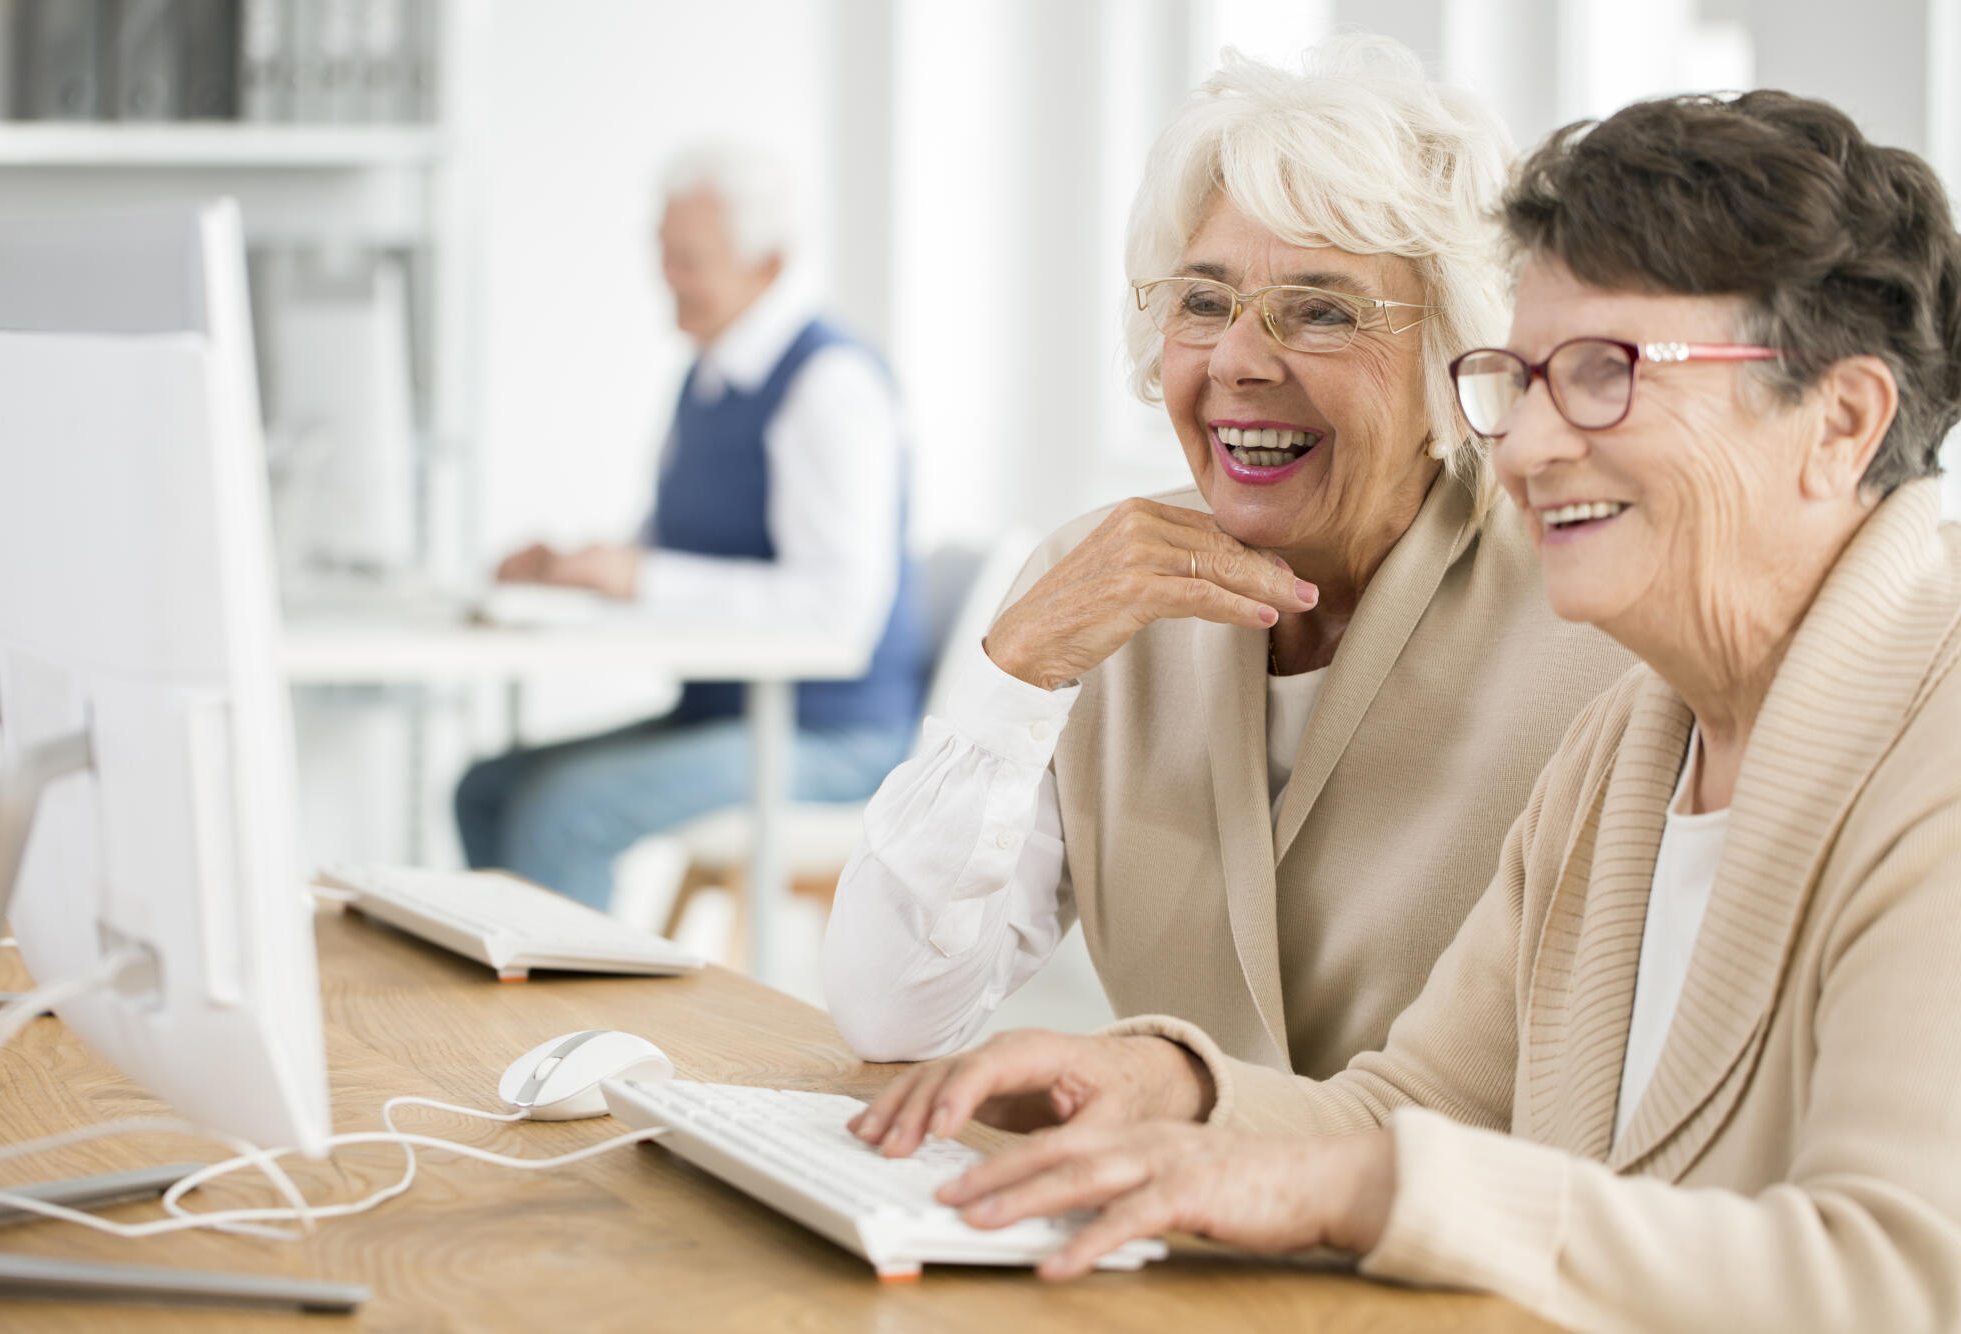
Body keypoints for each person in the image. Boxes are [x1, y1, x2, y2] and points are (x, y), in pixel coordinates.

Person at [849, 89, 1961, 1332]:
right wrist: (1165, 1083)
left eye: (1603, 375)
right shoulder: (1640, 740)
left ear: (1841, 420)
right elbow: (1416, 1105)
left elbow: (1900, 1277)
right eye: (1524, 379)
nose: (1529, 446)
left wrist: (1374, 1187)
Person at [823, 39, 1631, 1074]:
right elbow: (889, 1012)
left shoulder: (1592, 617)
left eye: (1322, 311)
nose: (1239, 360)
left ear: (1452, 350)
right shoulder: (1093, 588)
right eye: (1201, 302)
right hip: (1171, 1221)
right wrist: (1012, 674)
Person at [455, 144, 922, 910]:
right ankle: (504, 1004)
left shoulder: (830, 387)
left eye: (689, 259)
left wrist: (640, 576)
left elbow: (839, 610)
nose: (666, 278)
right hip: (724, 713)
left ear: (767, 266)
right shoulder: (707, 379)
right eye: (663, 256)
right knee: (487, 789)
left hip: (830, 739)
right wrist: (582, 566)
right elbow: (677, 552)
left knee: (564, 812)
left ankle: (568, 1028)